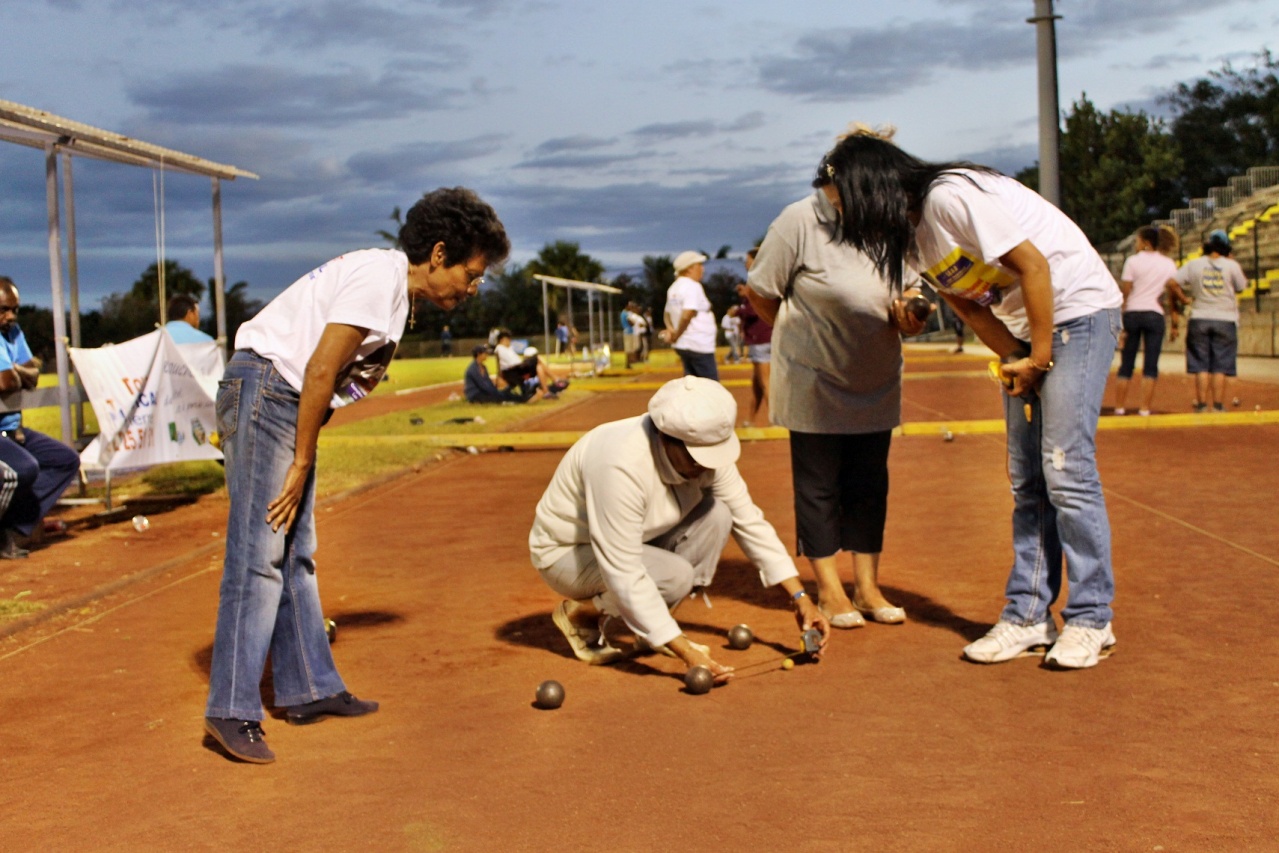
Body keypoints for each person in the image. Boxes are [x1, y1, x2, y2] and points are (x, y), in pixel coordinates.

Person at [203, 187, 509, 763]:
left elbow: (325, 377)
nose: (472, 289)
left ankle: (309, 689)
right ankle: (230, 708)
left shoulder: (392, 288)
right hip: (269, 392)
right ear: (438, 254)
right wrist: (299, 461)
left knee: (295, 551)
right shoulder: (381, 280)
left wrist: (302, 451)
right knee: (258, 552)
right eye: (471, 274)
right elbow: (320, 367)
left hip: (280, 397)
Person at [818, 126, 1122, 668]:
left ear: (871, 187)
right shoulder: (911, 239)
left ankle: (1091, 618)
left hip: (1076, 314)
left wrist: (1040, 355)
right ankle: (1028, 615)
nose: (844, 219)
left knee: (1067, 470)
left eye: (844, 205)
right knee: (1027, 480)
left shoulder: (951, 196)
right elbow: (970, 306)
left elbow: (1034, 266)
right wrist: (1014, 359)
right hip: (1026, 333)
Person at [529, 376, 830, 681]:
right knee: (675, 576)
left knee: (719, 515)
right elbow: (624, 570)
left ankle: (654, 630)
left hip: (637, 538)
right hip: (567, 552)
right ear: (664, 437)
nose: (707, 465)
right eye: (697, 456)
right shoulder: (619, 464)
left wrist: (801, 598)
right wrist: (686, 651)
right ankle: (583, 616)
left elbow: (749, 522)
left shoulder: (707, 446)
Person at [747, 167, 924, 631]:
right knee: (819, 487)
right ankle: (829, 590)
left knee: (869, 486)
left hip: (874, 378)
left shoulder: (886, 223)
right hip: (814, 381)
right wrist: (802, 336)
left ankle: (867, 588)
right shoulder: (799, 220)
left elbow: (909, 287)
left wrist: (909, 313)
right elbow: (762, 291)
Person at [0, 277, 81, 560]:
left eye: (14, 309)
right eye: (4, 310)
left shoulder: (13, 331)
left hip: (13, 427)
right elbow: (7, 381)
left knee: (65, 460)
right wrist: (17, 372)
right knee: (24, 468)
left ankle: (11, 528)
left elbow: (31, 376)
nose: (10, 316)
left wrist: (16, 371)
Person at [1167, 230, 1249, 412]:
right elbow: (1242, 287)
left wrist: (1184, 299)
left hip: (1199, 317)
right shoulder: (1231, 265)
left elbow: (1172, 283)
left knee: (1200, 364)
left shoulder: (1194, 264)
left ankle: (1202, 404)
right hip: (1225, 319)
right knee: (1220, 365)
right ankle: (1218, 405)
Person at [1109, 227, 1179, 416]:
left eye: (1137, 241)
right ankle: (1144, 408)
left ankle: (1120, 406)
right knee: (1151, 362)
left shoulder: (1132, 261)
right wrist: (1174, 320)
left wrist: (1121, 316)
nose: (1136, 245)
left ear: (1146, 242)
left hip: (1133, 312)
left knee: (1127, 362)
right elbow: (1173, 292)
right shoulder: (1168, 263)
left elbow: (1127, 290)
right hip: (1154, 313)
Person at [660, 251, 718, 380]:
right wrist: (676, 334)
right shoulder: (692, 286)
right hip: (699, 344)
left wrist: (671, 330)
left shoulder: (673, 288)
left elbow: (667, 314)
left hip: (684, 345)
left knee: (691, 385)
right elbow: (688, 313)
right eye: (699, 265)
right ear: (690, 268)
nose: (702, 269)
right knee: (711, 388)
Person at [736, 248, 772, 426]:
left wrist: (738, 310)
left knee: (765, 381)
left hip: (760, 337)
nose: (745, 263)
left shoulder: (756, 281)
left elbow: (753, 310)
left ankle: (776, 420)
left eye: (747, 259)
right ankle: (750, 419)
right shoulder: (768, 278)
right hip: (767, 336)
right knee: (757, 382)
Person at [493, 331, 560, 400]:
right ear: (502, 340)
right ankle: (555, 379)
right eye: (508, 339)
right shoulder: (499, 348)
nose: (510, 341)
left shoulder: (509, 348)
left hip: (519, 368)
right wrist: (498, 380)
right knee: (536, 359)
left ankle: (546, 392)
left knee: (539, 367)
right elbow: (500, 365)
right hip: (514, 370)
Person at [620, 302, 637, 368]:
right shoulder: (625, 314)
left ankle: (629, 363)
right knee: (629, 348)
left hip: (627, 331)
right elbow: (631, 323)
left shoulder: (623, 313)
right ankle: (628, 363)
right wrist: (633, 322)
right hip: (628, 332)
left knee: (629, 348)